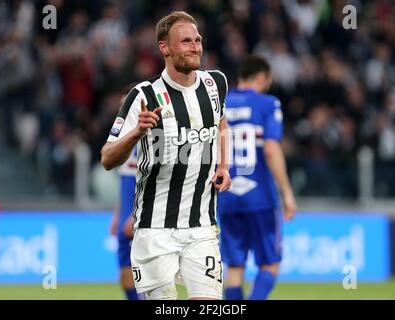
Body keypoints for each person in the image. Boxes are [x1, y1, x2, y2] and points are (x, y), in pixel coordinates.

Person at [101, 11, 231, 300]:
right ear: (165, 47)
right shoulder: (142, 95)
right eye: (186, 41)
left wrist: (224, 165)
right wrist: (136, 133)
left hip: (201, 226)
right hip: (153, 229)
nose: (195, 46)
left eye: (197, 40)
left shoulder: (216, 84)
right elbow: (107, 157)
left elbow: (222, 123)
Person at [218, 55, 297, 300]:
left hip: (226, 196)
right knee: (269, 264)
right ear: (262, 77)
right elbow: (271, 149)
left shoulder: (220, 104)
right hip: (260, 197)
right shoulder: (268, 104)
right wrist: (287, 192)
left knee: (234, 267)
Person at [109, 151, 143, 300]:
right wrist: (117, 215)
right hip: (126, 215)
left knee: (148, 276)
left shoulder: (146, 132)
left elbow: (158, 177)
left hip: (143, 214)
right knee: (125, 276)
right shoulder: (125, 135)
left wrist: (138, 213)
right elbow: (125, 182)